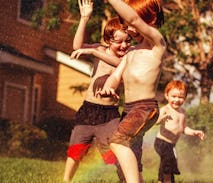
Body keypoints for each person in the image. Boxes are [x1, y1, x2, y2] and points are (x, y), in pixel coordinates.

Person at [96, 0, 166, 182]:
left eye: (129, 25)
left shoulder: (157, 44)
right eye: (125, 26)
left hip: (144, 108)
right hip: (129, 110)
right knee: (127, 159)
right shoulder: (131, 53)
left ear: (150, 20)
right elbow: (116, 76)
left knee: (117, 141)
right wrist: (108, 87)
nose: (128, 28)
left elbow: (134, 19)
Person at [62, 0, 132, 182]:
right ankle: (66, 181)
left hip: (109, 115)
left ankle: (125, 179)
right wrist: (84, 18)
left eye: (127, 41)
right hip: (88, 110)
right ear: (108, 40)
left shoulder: (128, 57)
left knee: (115, 154)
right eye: (119, 42)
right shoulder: (99, 48)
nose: (124, 46)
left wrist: (94, 53)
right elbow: (77, 47)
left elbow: (119, 65)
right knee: (75, 151)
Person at [154, 80, 205, 183]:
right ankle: (166, 180)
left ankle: (164, 180)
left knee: (169, 163)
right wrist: (161, 119)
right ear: (167, 95)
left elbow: (184, 129)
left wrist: (194, 132)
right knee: (168, 160)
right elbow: (155, 122)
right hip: (161, 142)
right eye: (174, 96)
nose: (177, 100)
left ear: (185, 98)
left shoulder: (182, 112)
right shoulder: (165, 109)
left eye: (181, 97)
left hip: (171, 144)